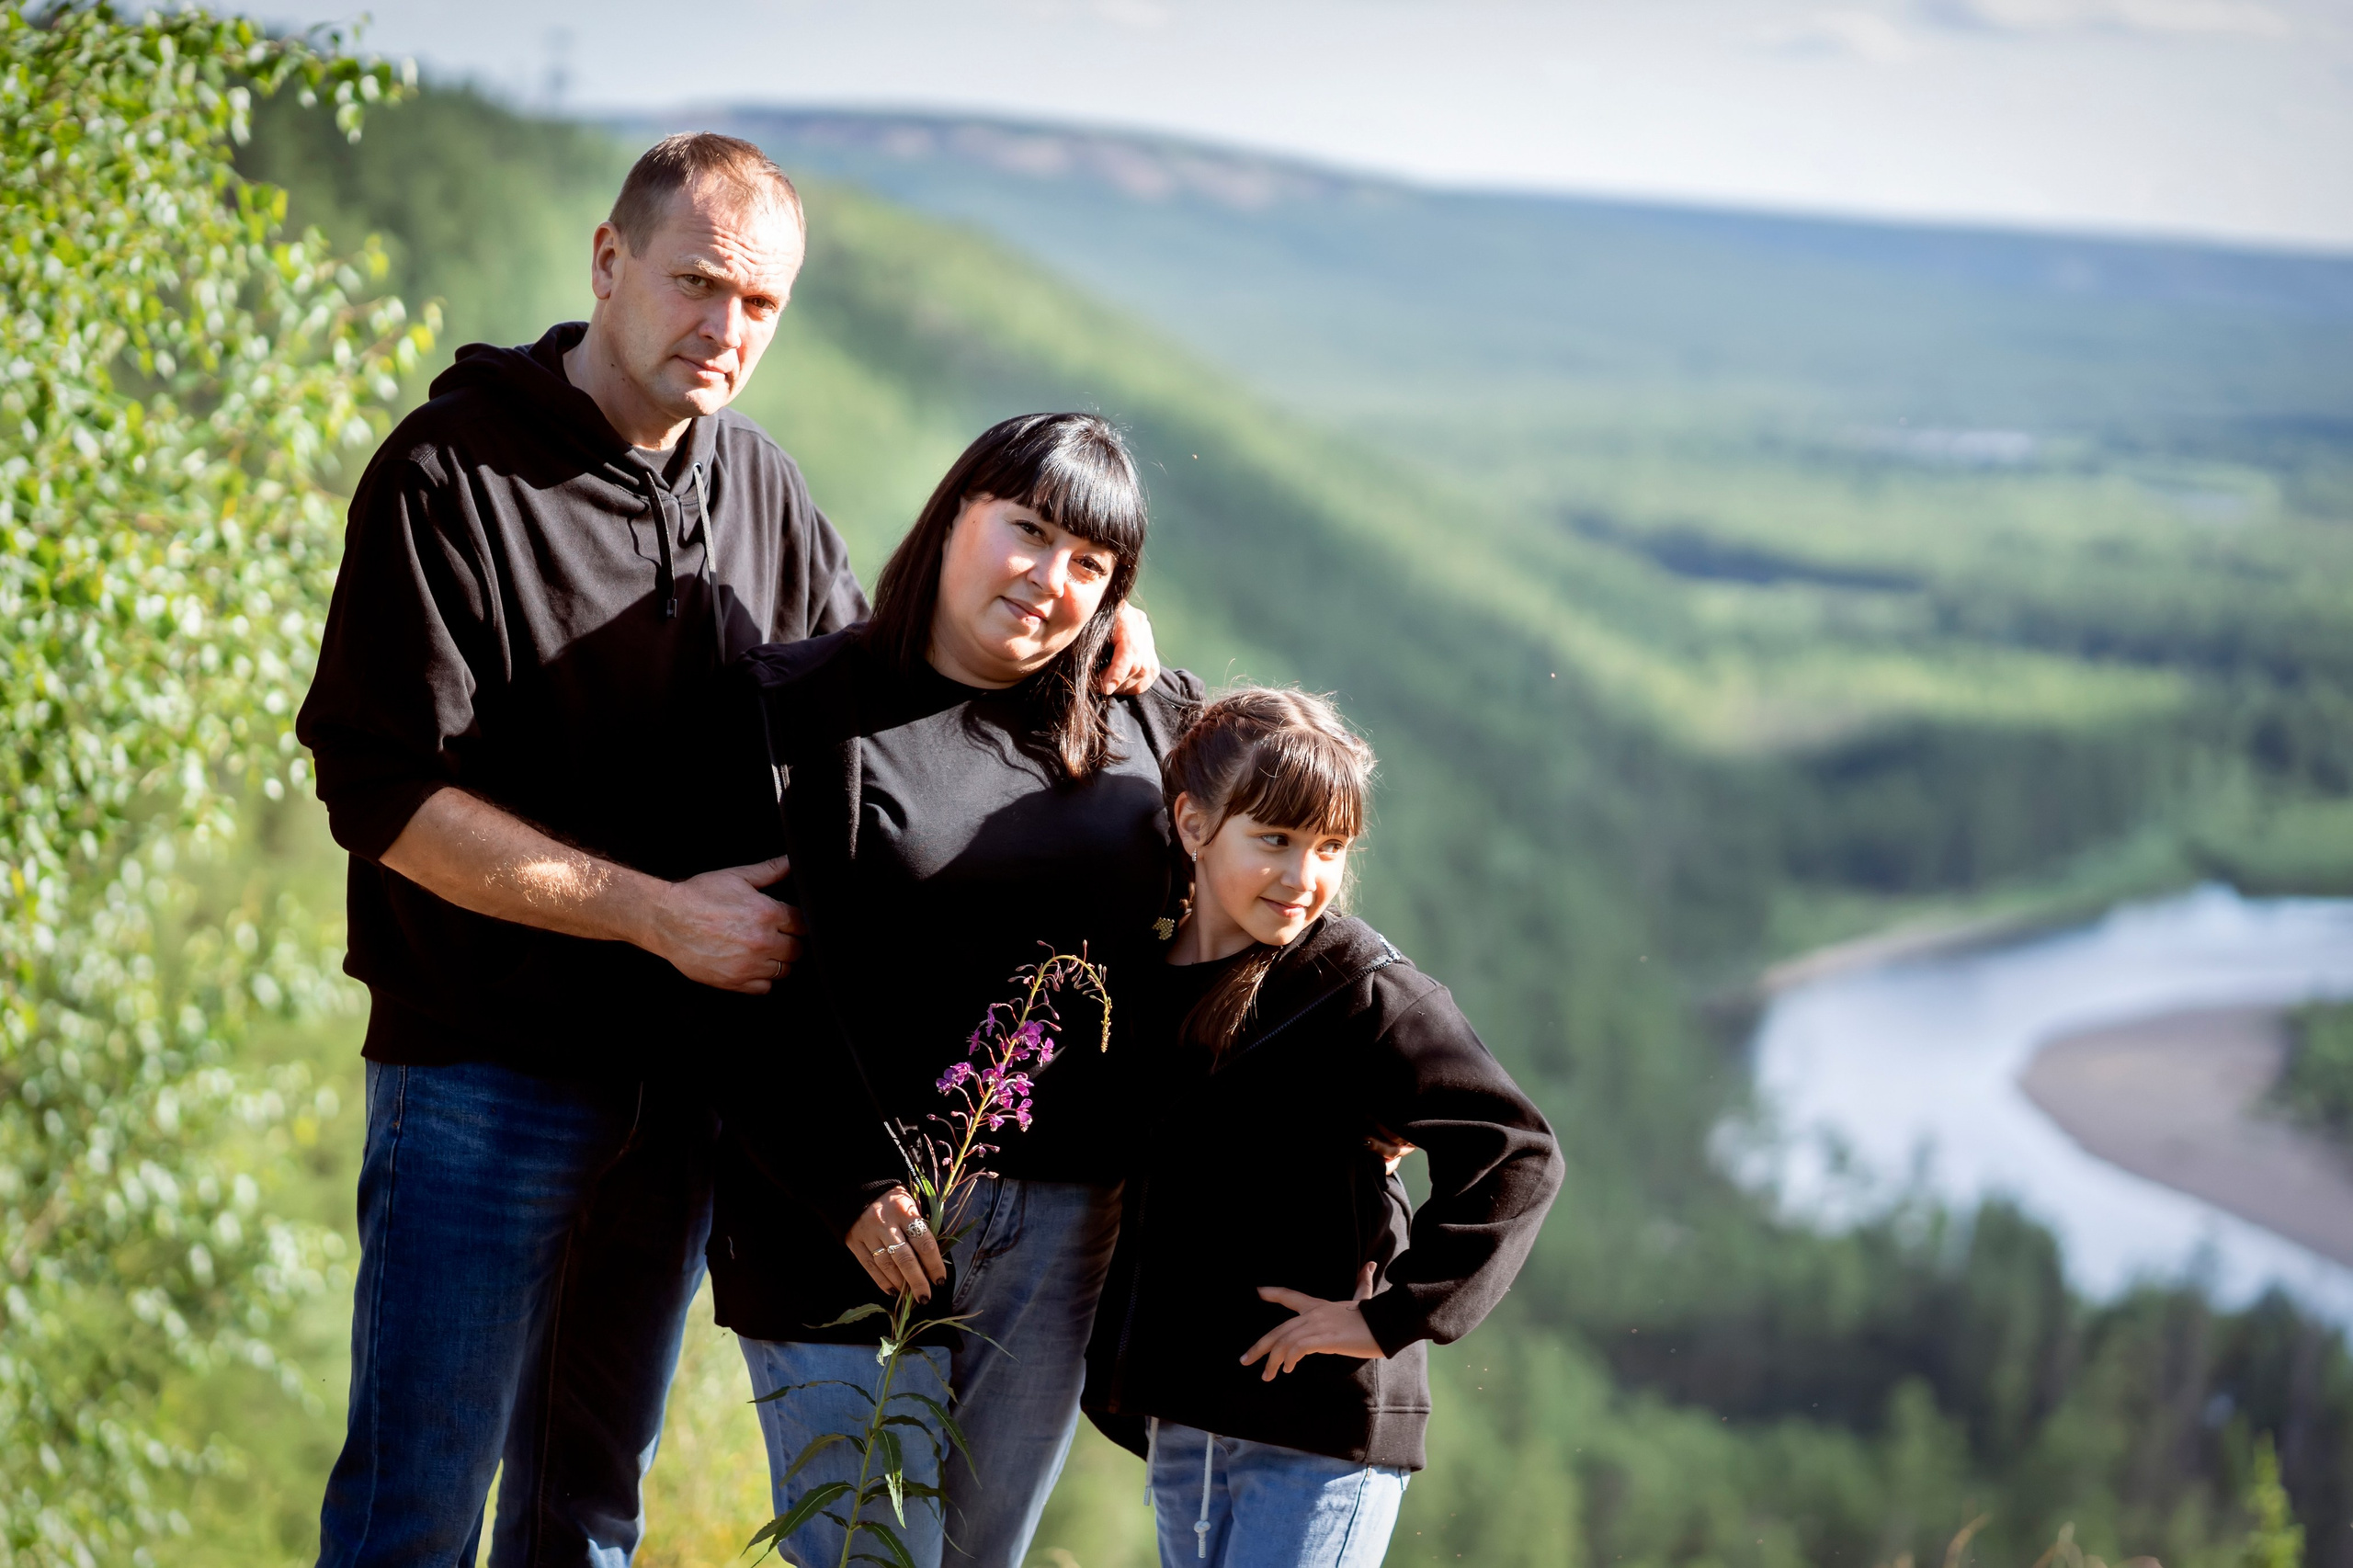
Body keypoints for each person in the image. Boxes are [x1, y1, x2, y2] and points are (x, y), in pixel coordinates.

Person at [294, 131, 1161, 1564]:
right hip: (481, 1074)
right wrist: (655, 915)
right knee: (416, 1502)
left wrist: (1087, 630)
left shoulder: (757, 484)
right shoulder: (452, 474)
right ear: (607, 261)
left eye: (761, 305)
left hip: (688, 1095)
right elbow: (377, 795)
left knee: (586, 1508)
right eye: (699, 283)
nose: (726, 329)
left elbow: (887, 679)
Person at [708, 412, 1199, 1568]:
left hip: (1063, 1231)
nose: (1051, 581)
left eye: (1092, 565)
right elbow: (715, 978)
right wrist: (848, 1182)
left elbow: (1266, 889)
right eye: (1027, 532)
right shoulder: (795, 709)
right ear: (952, 517)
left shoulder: (1146, 717)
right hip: (835, 1221)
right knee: (872, 1555)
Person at [1081, 688, 1563, 1568]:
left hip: (1317, 1431)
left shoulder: (1359, 990)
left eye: (1330, 847)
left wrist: (1389, 1318)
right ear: (1193, 826)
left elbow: (1516, 1153)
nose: (1305, 876)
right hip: (1187, 1419)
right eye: (1275, 839)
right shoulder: (1139, 977)